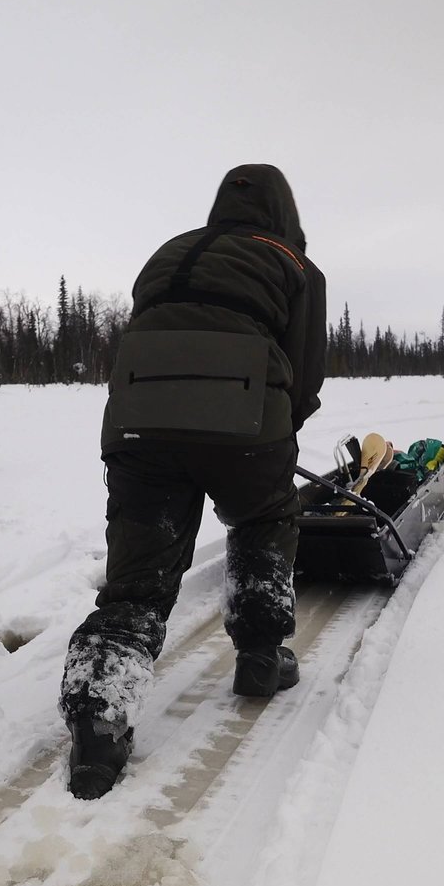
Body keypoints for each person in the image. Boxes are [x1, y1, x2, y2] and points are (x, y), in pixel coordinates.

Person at [61, 163, 327, 799]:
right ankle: (262, 656)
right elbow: (306, 369)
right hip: (244, 414)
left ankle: (99, 717)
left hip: (137, 421)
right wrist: (282, 430)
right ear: (284, 210)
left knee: (137, 576)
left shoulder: (170, 252)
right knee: (265, 518)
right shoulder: (293, 264)